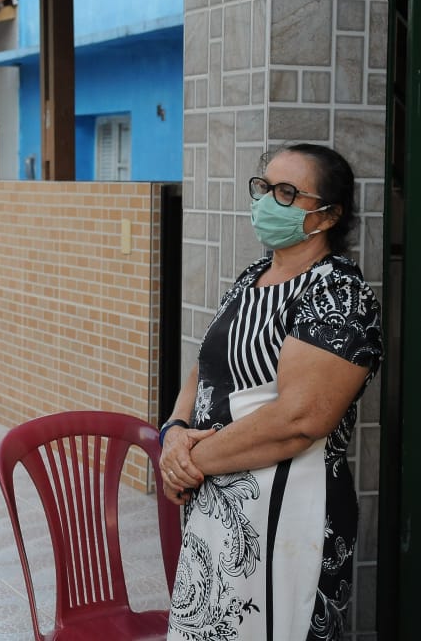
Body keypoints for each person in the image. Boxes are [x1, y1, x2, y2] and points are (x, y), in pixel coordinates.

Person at [160, 144, 383, 640]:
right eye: (264, 187)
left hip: (289, 516)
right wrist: (174, 434)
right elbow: (205, 369)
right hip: (217, 509)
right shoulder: (251, 276)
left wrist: (193, 461)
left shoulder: (337, 295)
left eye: (287, 193)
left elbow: (300, 422)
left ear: (328, 215)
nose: (267, 202)